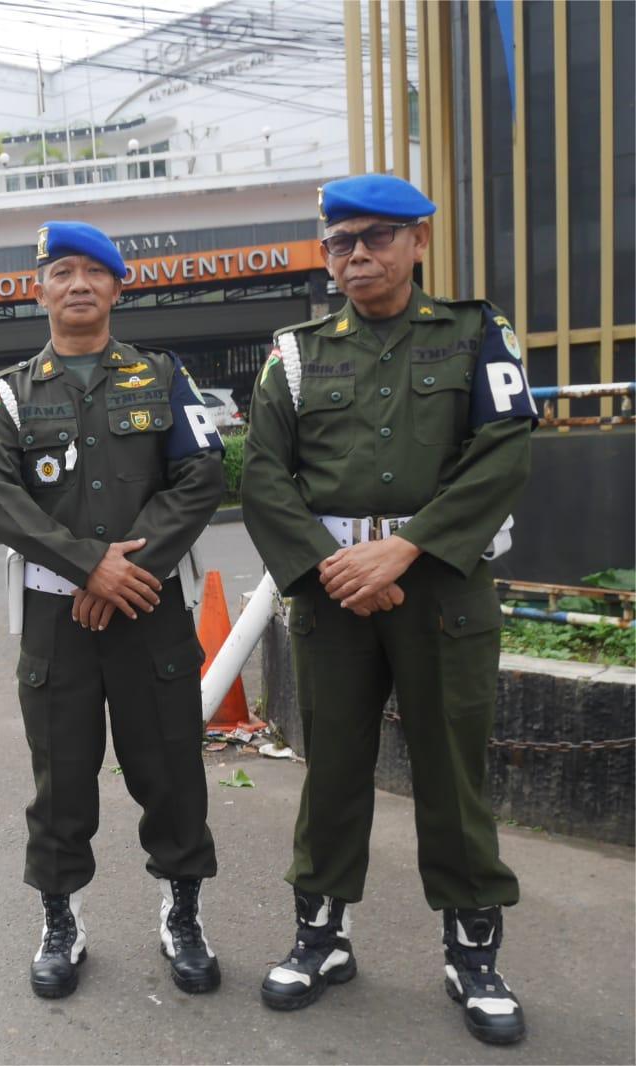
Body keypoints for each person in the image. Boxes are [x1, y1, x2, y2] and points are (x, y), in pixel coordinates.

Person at [241, 173, 535, 1046]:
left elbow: (505, 450)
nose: (356, 255)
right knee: (332, 766)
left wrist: (404, 549)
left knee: (451, 766)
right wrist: (334, 569)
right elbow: (262, 474)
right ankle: (321, 936)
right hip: (334, 596)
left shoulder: (479, 334)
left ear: (418, 243)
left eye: (376, 237)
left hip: (440, 582)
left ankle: (472, 949)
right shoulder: (294, 353)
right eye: (340, 242)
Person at [0, 220, 227, 1000]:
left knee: (173, 769)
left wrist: (126, 571)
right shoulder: (7, 394)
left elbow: (202, 474)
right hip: (59, 622)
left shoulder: (163, 377)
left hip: (149, 610)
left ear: (118, 287)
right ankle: (61, 921)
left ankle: (181, 915)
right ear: (39, 287)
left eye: (95, 272)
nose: (78, 284)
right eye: (63, 271)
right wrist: (89, 567)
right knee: (62, 779)